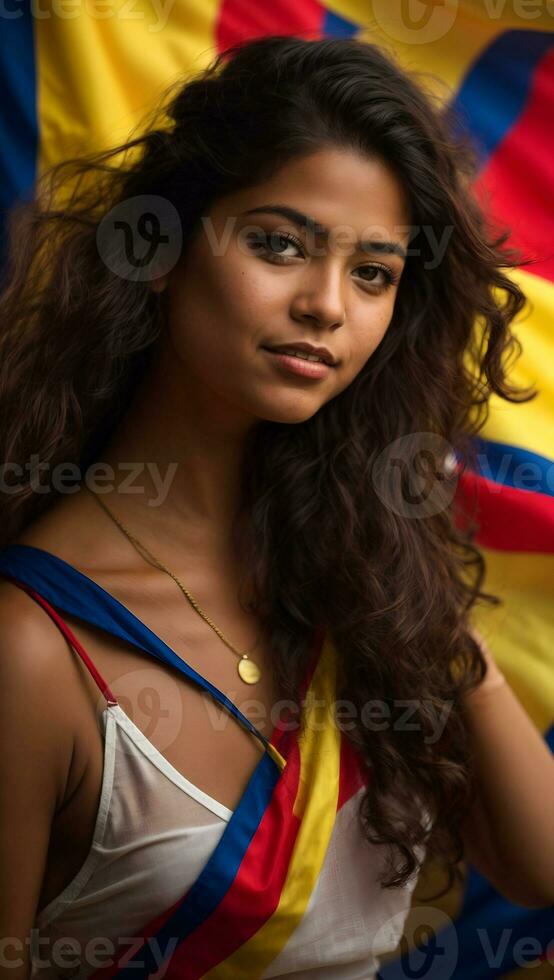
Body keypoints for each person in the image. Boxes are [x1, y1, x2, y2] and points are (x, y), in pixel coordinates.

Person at [0, 34, 553, 980]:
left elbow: (538, 865)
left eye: (374, 272)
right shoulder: (30, 649)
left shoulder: (358, 576)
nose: (327, 305)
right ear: (162, 250)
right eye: (279, 245)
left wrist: (408, 584)